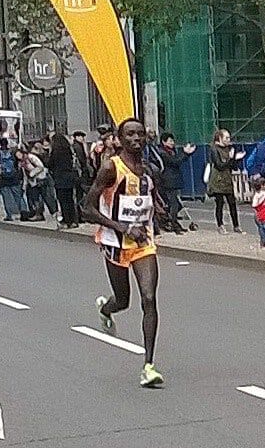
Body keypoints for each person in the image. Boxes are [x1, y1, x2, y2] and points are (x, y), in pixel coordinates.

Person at [82, 119, 168, 388]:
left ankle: (148, 366)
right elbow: (87, 209)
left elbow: (150, 197)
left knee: (149, 298)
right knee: (123, 300)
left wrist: (158, 208)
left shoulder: (149, 170)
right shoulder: (111, 168)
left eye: (140, 134)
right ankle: (106, 309)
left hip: (143, 243)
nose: (136, 139)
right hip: (115, 243)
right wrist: (122, 227)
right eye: (129, 134)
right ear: (119, 139)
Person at [207, 129, 246, 234]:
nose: (229, 140)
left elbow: (233, 166)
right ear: (220, 138)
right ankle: (220, 225)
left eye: (229, 138)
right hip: (218, 179)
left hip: (227, 178)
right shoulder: (214, 149)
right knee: (219, 203)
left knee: (232, 203)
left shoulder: (229, 149)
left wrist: (235, 159)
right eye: (226, 138)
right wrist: (230, 158)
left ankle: (236, 225)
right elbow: (219, 165)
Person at [158, 132, 196, 233]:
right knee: (174, 204)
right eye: (170, 141)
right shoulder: (162, 152)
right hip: (168, 181)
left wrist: (187, 154)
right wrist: (185, 153)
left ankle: (169, 220)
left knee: (176, 205)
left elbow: (178, 161)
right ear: (164, 142)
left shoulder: (171, 151)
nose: (172, 143)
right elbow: (174, 161)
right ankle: (173, 224)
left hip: (174, 180)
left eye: (173, 141)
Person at [48, 133, 80, 228]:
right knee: (70, 200)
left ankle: (66, 221)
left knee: (63, 200)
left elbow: (50, 164)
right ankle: (73, 220)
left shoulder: (55, 152)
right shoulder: (68, 150)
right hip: (69, 177)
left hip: (59, 177)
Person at [0, 138, 26, 222]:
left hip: (3, 180)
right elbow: (18, 166)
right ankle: (24, 212)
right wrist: (20, 177)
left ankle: (9, 215)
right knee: (18, 196)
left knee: (6, 198)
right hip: (14, 178)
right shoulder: (13, 153)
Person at [72, 131, 90, 212]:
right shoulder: (78, 146)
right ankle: (81, 209)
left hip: (78, 172)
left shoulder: (76, 145)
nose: (82, 138)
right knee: (82, 191)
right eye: (80, 136)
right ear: (76, 137)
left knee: (79, 192)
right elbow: (82, 159)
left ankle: (79, 210)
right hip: (81, 172)